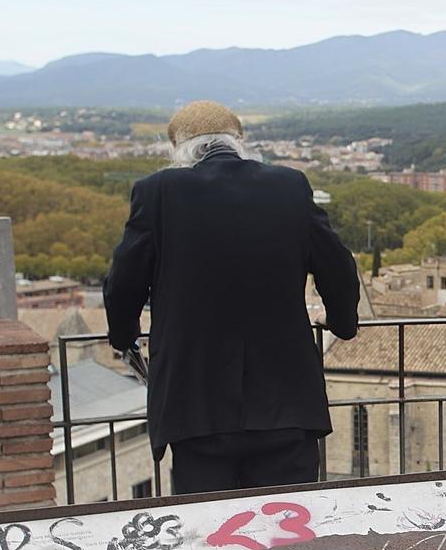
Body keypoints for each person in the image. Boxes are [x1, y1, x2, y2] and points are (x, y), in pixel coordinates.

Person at [104, 100, 360, 494]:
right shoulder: (289, 186)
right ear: (238, 142)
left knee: (211, 537)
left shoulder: (157, 193)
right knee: (290, 533)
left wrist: (124, 339)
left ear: (180, 148)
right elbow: (339, 267)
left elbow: (123, 283)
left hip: (195, 406)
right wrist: (342, 324)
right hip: (286, 400)